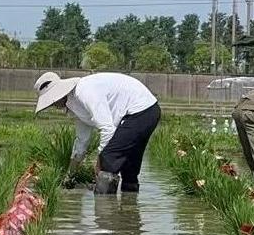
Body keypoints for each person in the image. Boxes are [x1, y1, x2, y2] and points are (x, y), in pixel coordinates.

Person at [34, 71, 162, 195]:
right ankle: (129, 207)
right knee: (129, 167)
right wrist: (70, 175)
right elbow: (81, 141)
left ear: (60, 93)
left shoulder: (84, 92)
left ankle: (104, 211)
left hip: (142, 111)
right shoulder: (75, 105)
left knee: (108, 160)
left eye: (53, 101)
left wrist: (100, 163)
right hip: (144, 112)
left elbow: (107, 129)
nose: (54, 105)